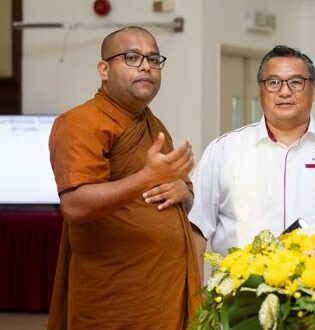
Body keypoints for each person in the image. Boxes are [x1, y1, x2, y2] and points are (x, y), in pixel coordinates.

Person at [47, 26, 201, 329]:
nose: (146, 65)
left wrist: (182, 192)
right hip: (117, 295)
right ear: (104, 69)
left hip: (162, 289)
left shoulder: (153, 125)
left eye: (154, 59)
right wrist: (145, 178)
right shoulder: (81, 122)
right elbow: (75, 206)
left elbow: (184, 201)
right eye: (132, 57)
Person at [189, 45, 315, 256]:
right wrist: (194, 289)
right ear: (260, 90)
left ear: (313, 90)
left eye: (296, 83)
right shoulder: (224, 151)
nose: (285, 92)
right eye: (273, 83)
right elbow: (195, 227)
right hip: (243, 285)